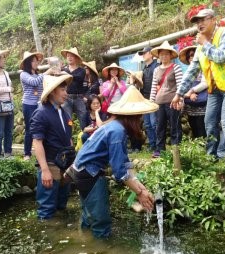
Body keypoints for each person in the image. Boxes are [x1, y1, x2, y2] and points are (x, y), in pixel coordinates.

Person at [65, 86, 157, 238]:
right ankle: (101, 252)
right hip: (89, 173)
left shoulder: (113, 126)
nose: (140, 120)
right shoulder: (117, 131)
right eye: (139, 116)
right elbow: (119, 171)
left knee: (89, 216)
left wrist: (142, 188)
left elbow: (125, 163)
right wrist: (140, 193)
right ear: (131, 117)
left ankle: (84, 242)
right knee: (101, 222)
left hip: (80, 171)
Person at [171, 9, 225, 159]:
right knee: (210, 122)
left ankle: (224, 156)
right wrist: (178, 94)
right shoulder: (201, 46)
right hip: (215, 88)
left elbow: (222, 57)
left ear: (213, 19)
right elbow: (192, 71)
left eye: (203, 20)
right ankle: (211, 155)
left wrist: (205, 43)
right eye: (197, 22)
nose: (199, 24)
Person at [30, 71, 74, 220]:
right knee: (47, 208)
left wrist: (72, 164)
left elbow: (69, 139)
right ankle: (48, 236)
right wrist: (44, 170)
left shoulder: (64, 113)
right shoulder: (41, 113)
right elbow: (37, 142)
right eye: (62, 90)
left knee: (62, 204)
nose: (66, 93)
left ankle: (61, 235)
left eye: (66, 90)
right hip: (50, 164)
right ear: (52, 92)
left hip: (65, 164)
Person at [150, 41, 183, 158]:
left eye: (166, 54)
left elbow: (180, 85)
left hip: (172, 101)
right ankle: (160, 150)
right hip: (159, 102)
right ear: (158, 56)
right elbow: (154, 86)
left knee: (175, 125)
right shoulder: (156, 70)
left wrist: (180, 100)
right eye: (161, 54)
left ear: (170, 55)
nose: (164, 56)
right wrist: (151, 102)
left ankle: (176, 149)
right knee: (160, 127)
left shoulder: (176, 68)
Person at [178, 45, 207, 139]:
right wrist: (189, 94)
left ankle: (205, 149)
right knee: (194, 126)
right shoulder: (187, 72)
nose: (191, 57)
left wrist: (192, 91)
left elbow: (205, 83)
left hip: (202, 105)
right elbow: (183, 86)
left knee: (202, 128)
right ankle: (198, 149)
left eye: (193, 55)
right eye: (189, 56)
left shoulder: (204, 69)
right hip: (190, 106)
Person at [20, 51, 44, 161]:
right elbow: (34, 82)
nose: (36, 62)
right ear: (28, 63)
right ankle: (27, 154)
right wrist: (47, 72)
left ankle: (41, 151)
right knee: (29, 129)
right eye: (33, 61)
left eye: (36, 60)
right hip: (28, 105)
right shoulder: (23, 74)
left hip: (39, 105)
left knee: (40, 128)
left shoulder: (38, 75)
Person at [61, 47, 88, 130]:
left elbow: (78, 78)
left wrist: (65, 73)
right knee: (68, 120)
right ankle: (68, 140)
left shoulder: (81, 70)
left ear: (76, 58)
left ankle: (85, 137)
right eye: (68, 56)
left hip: (78, 98)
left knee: (83, 118)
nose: (69, 57)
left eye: (71, 56)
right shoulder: (63, 70)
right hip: (66, 98)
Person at [138, 46, 159, 151]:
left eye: (144, 53)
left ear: (151, 54)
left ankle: (158, 145)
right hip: (145, 99)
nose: (143, 55)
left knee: (154, 123)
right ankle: (152, 145)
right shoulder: (144, 68)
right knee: (147, 124)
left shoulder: (157, 66)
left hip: (154, 98)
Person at [127, 71, 145, 152]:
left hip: (137, 108)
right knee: (130, 127)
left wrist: (133, 79)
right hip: (130, 108)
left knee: (137, 128)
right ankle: (133, 146)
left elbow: (134, 88)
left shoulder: (138, 85)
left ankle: (138, 147)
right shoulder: (128, 84)